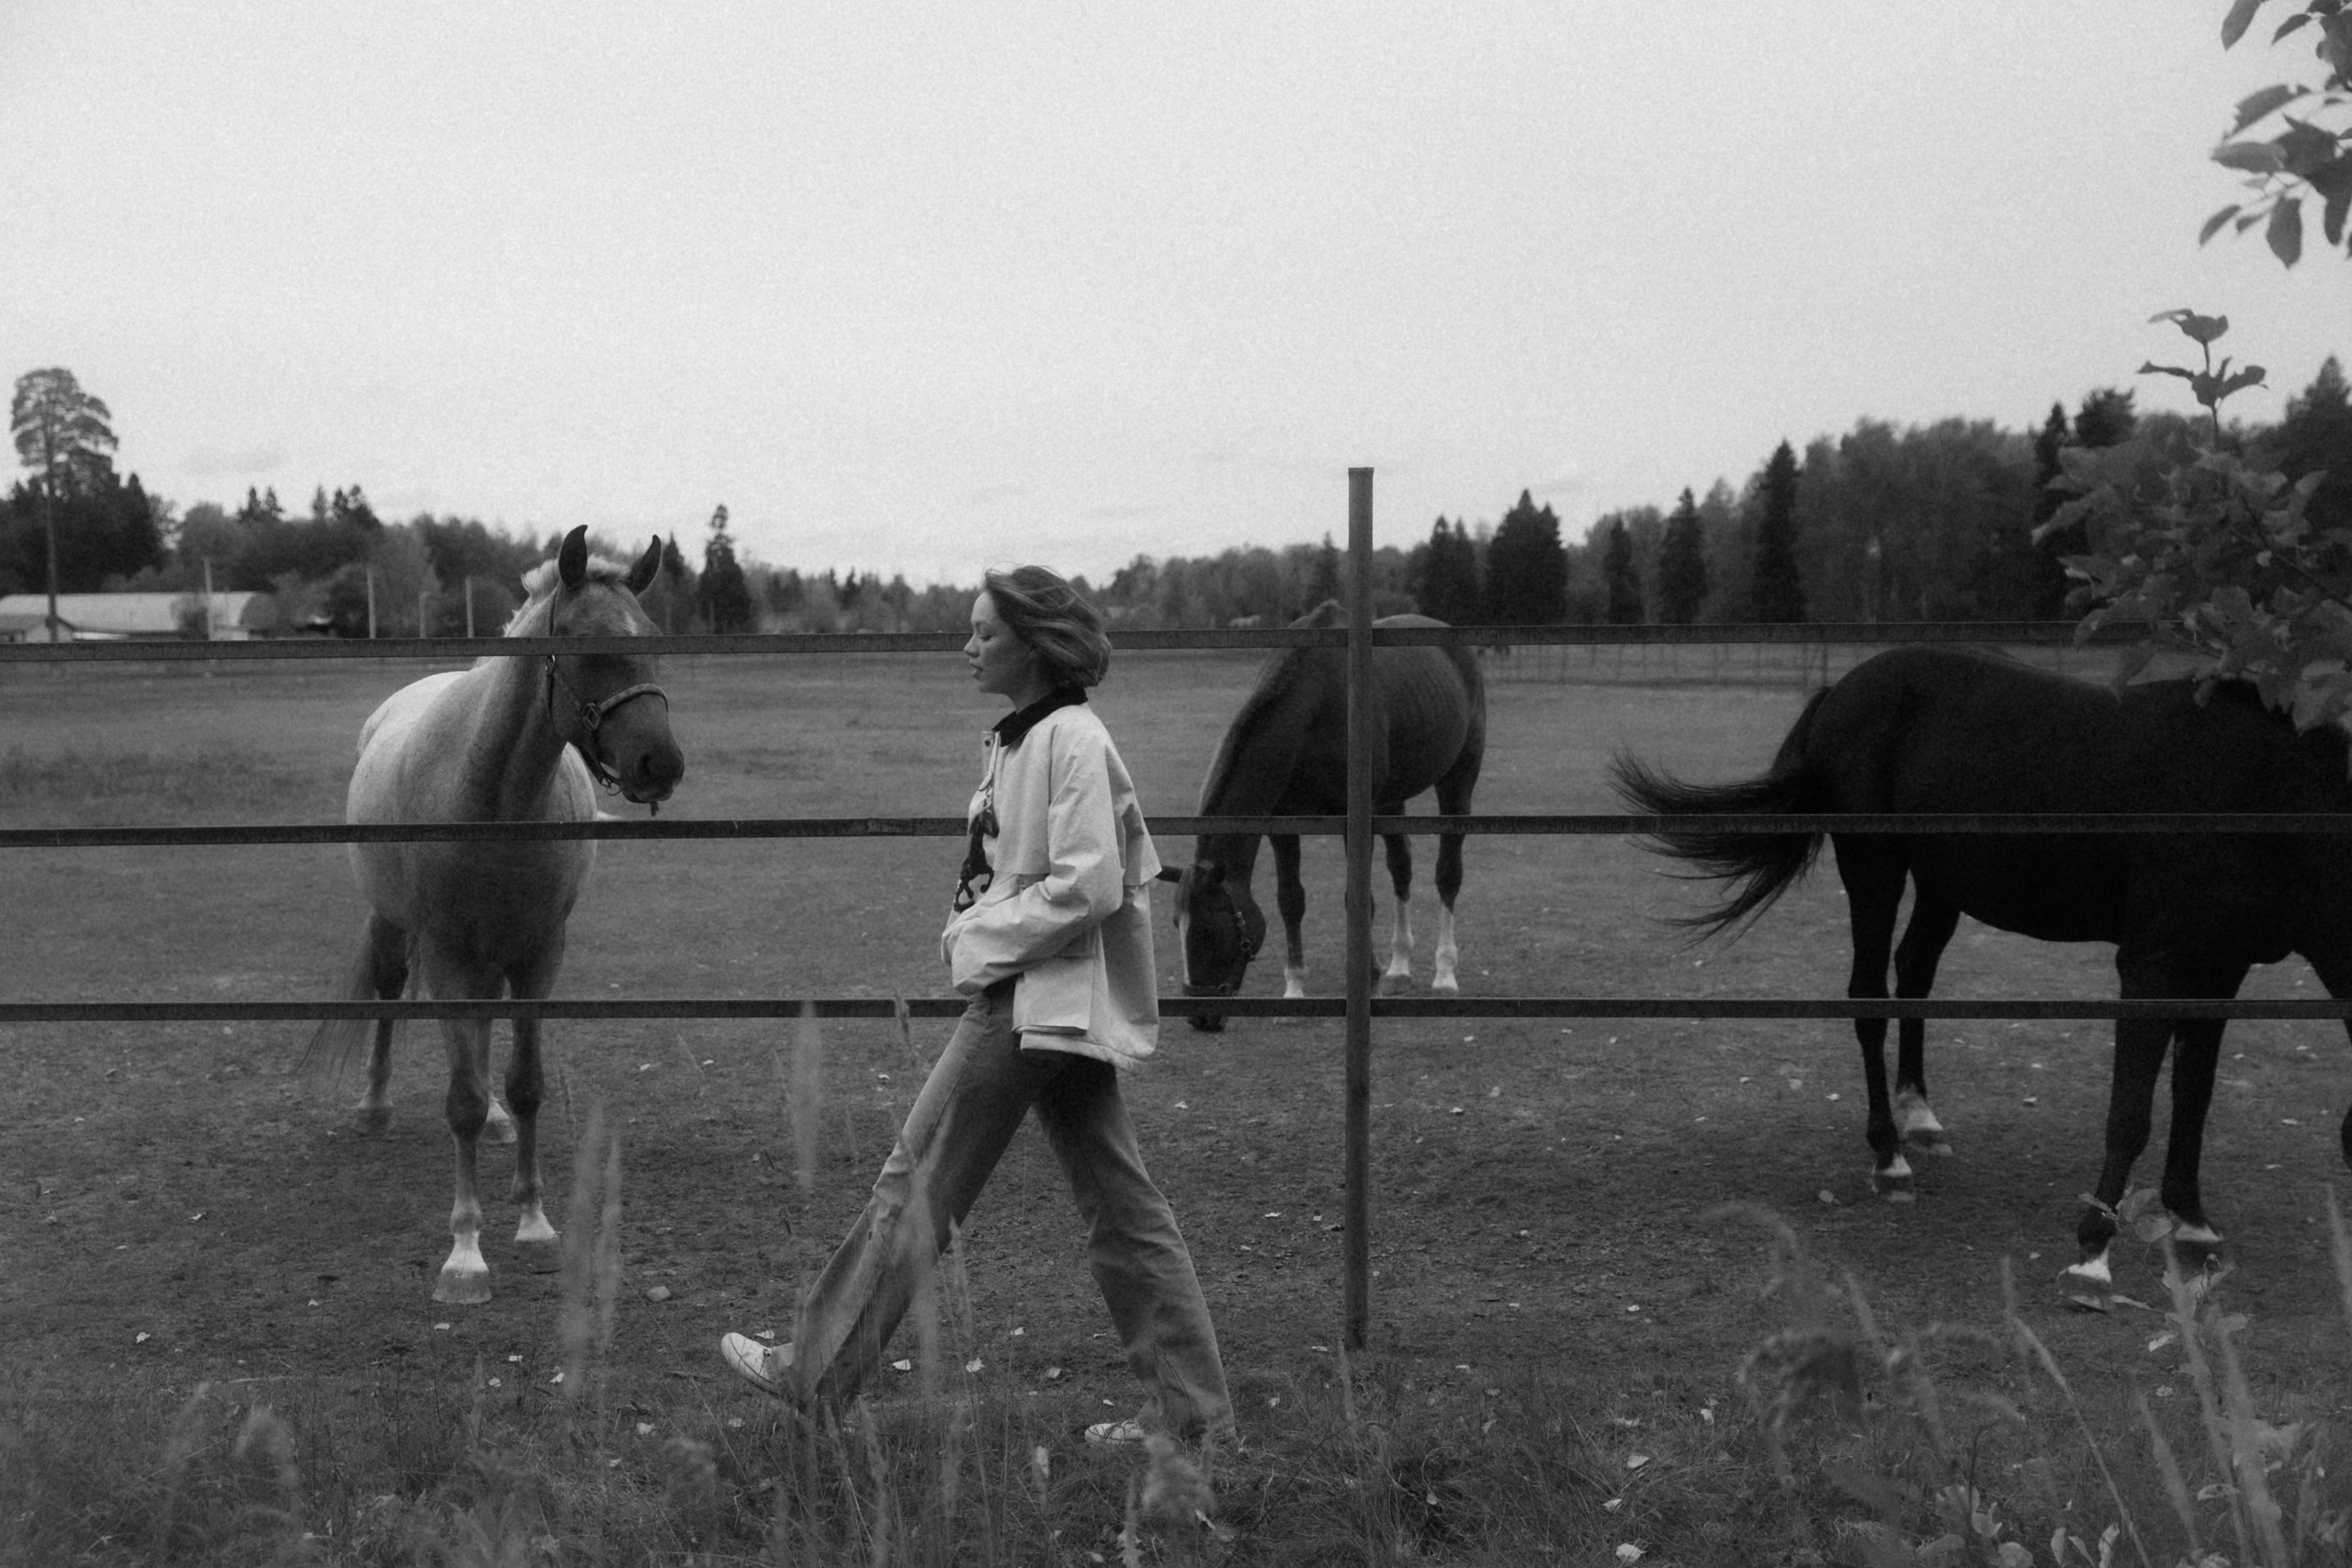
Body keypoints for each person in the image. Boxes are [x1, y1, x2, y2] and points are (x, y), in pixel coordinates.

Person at [719, 564, 1236, 1447]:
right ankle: (1194, 1419)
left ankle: (814, 1371)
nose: (968, 647)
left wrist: (979, 940)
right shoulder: (1024, 738)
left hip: (1029, 1001)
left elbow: (1090, 883)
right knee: (1124, 1209)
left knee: (913, 1180)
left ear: (1033, 645)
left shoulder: (1072, 739)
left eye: (985, 633)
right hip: (1050, 1006)